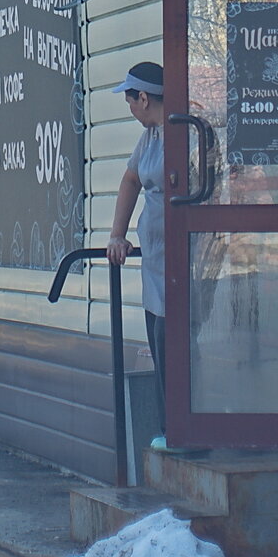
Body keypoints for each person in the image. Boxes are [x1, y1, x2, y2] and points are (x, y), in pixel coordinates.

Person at [106, 62, 169, 452]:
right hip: (155, 262)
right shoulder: (150, 138)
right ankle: (169, 429)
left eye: (130, 101)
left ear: (143, 98)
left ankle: (180, 429)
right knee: (160, 345)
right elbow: (131, 179)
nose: (130, 110)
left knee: (173, 343)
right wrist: (118, 234)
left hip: (184, 262)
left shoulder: (184, 133)